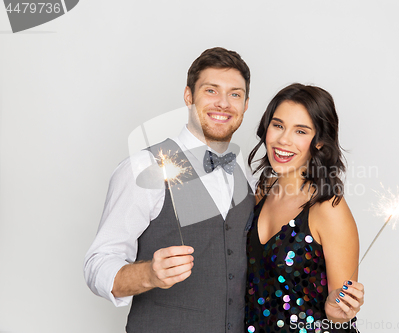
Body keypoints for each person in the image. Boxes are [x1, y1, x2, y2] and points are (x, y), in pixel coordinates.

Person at [84, 47, 256, 332]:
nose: (223, 103)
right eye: (211, 91)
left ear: (246, 104)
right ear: (188, 96)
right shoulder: (143, 167)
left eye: (235, 94)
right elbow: (97, 264)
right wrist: (148, 274)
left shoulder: (245, 172)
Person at [245, 83, 363, 332]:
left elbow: (341, 315)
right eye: (277, 125)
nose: (283, 140)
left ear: (320, 142)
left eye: (300, 131)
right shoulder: (263, 190)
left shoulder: (329, 209)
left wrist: (338, 314)